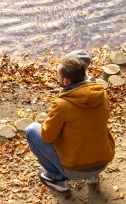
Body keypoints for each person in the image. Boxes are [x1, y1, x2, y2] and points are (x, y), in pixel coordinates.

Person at [25, 52, 115, 192]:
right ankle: (93, 177)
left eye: (59, 75)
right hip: (102, 162)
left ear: (65, 81)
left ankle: (58, 179)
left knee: (32, 130)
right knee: (91, 127)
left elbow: (47, 137)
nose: (58, 78)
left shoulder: (62, 105)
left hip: (74, 169)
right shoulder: (101, 94)